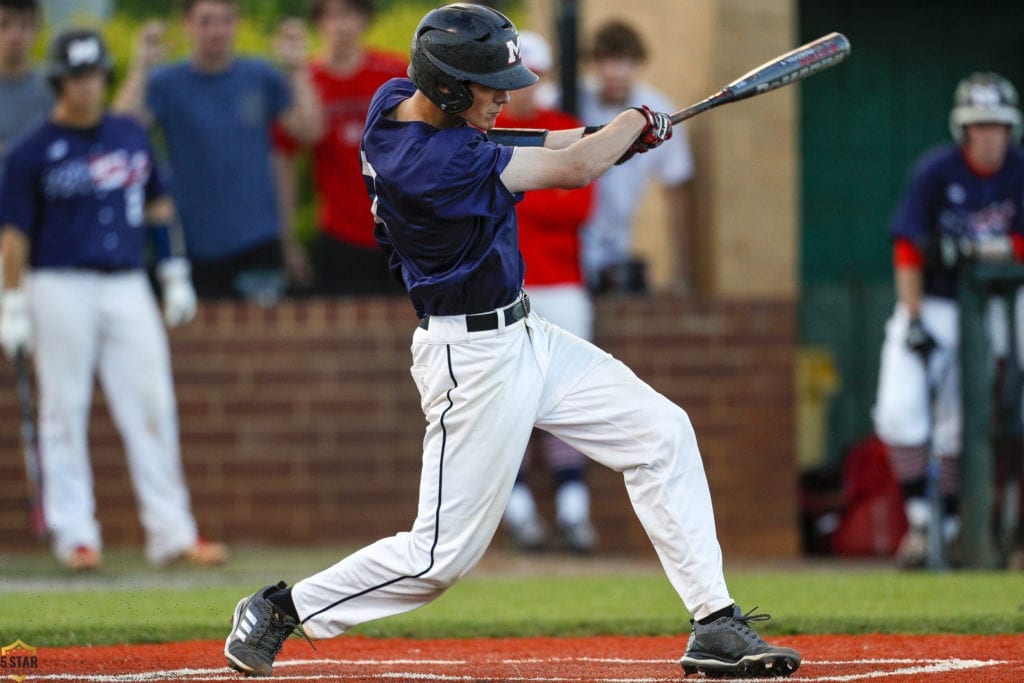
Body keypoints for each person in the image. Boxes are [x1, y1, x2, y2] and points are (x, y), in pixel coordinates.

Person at [222, 4, 800, 679]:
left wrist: (617, 134)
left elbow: (538, 144)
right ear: (446, 88)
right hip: (471, 360)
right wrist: (630, 124)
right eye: (489, 85)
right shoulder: (432, 166)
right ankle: (280, 609)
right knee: (439, 558)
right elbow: (574, 169)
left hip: (527, 333)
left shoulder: (394, 103)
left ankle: (714, 621)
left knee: (662, 432)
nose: (504, 94)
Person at [0, 28, 228, 571]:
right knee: (62, 409)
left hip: (127, 281)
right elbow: (13, 236)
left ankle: (172, 533)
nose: (88, 86)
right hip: (57, 282)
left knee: (152, 404)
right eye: (77, 77)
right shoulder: (30, 152)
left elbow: (158, 207)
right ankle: (76, 536)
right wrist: (11, 303)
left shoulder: (130, 134)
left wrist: (174, 273)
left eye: (96, 74)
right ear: (60, 81)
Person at [871, 72, 1024, 568]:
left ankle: (955, 528)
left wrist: (984, 248)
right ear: (964, 129)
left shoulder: (1019, 171)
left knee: (963, 423)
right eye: (979, 125)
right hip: (935, 304)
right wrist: (913, 317)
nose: (988, 135)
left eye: (996, 125)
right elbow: (909, 246)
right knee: (899, 412)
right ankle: (921, 521)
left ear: (1010, 129)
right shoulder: (936, 171)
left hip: (999, 305)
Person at [113, 0, 322, 302]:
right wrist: (140, 66)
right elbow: (120, 133)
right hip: (189, 241)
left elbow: (309, 130)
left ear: (236, 23)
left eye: (225, 20)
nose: (217, 30)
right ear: (187, 24)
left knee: (264, 342)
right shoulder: (165, 82)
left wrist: (298, 68)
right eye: (206, 21)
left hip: (258, 238)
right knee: (199, 343)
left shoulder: (259, 75)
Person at [493, 30, 598, 553]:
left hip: (563, 285)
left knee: (565, 401)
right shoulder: (481, 131)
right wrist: (538, 182)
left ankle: (574, 513)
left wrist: (514, 186)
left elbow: (576, 207)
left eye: (532, 78)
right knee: (508, 403)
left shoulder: (560, 130)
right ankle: (520, 514)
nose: (521, 90)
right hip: (504, 287)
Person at [272, 0, 407, 296]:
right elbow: (285, 163)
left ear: (365, 20)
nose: (341, 25)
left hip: (404, 232)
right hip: (340, 234)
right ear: (318, 23)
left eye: (350, 14)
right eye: (331, 15)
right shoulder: (304, 81)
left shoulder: (395, 74)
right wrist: (288, 240)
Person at [576, 19, 695, 294]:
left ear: (638, 64)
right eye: (609, 59)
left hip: (617, 245)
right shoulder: (568, 99)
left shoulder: (658, 110)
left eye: (626, 61)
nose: (617, 71)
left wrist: (682, 271)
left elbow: (676, 187)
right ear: (595, 62)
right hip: (565, 246)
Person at [0, 0, 52, 175]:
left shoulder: (57, 86)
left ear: (37, 31)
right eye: (4, 24)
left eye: (25, 25)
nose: (15, 34)